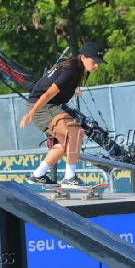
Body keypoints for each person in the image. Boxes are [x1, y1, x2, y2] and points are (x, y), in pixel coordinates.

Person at [20, 42, 106, 187]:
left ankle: (38, 175)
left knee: (65, 144)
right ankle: (70, 178)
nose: (96, 66)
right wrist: (30, 114)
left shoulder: (75, 68)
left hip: (47, 106)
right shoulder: (71, 70)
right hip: (42, 106)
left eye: (98, 63)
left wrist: (73, 92)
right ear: (83, 57)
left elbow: (57, 89)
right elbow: (48, 94)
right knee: (76, 132)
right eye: (94, 62)